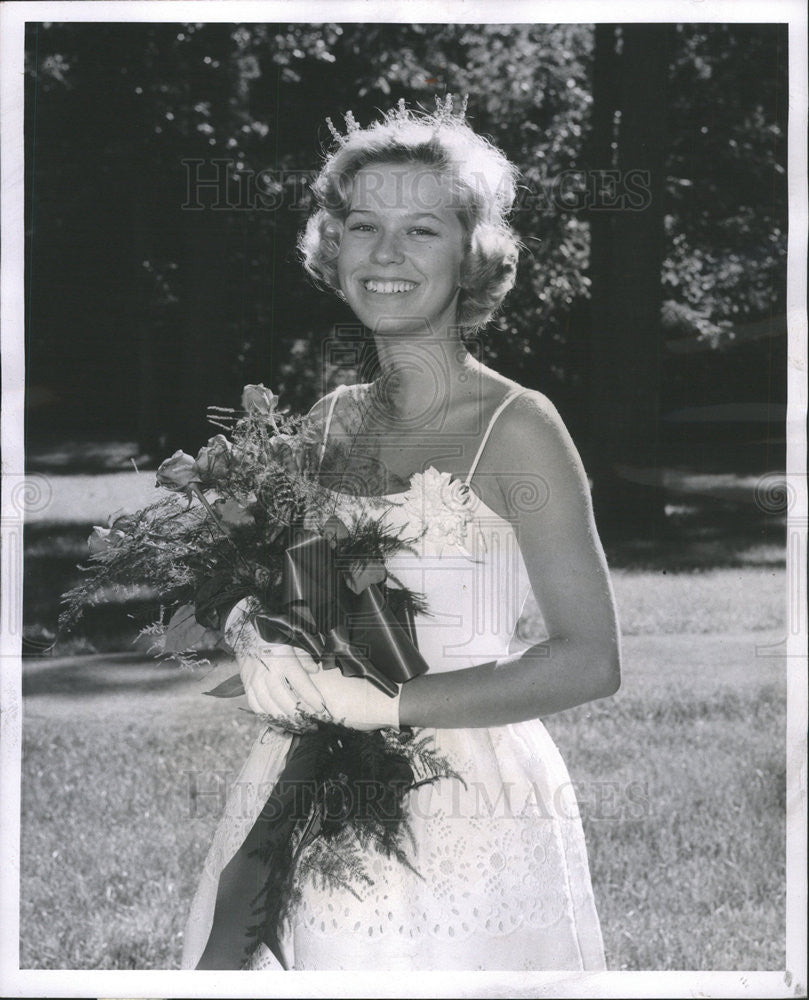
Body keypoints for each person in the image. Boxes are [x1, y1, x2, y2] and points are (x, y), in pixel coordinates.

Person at [182, 96, 621, 972]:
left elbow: (588, 660)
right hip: (305, 773)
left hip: (465, 795)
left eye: (420, 230)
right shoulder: (326, 421)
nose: (384, 255)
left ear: (471, 257)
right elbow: (291, 591)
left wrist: (385, 707)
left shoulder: (519, 426)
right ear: (330, 247)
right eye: (361, 226)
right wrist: (250, 633)